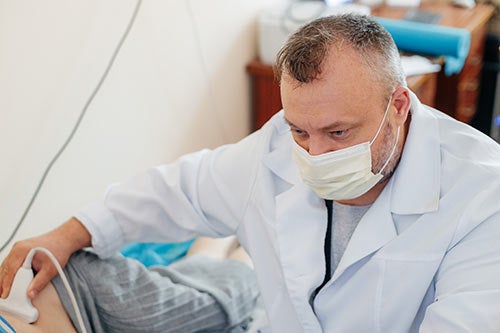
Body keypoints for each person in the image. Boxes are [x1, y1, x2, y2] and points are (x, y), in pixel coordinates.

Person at [2, 13, 500, 332]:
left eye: (339, 134)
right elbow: (180, 190)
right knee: (61, 273)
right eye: (301, 131)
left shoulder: (480, 195)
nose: (316, 153)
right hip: (255, 311)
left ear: (398, 105)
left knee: (229, 278)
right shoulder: (276, 148)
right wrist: (68, 233)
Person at [0, 236, 258, 332]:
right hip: (81, 314)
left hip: (84, 293)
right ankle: (220, 235)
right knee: (194, 283)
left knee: (216, 308)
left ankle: (255, 241)